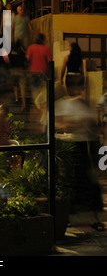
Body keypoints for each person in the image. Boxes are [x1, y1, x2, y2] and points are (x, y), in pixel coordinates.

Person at [55, 75, 104, 231]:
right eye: (74, 85)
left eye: (79, 85)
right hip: (68, 145)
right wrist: (78, 123)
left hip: (84, 145)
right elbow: (60, 124)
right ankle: (67, 218)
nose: (77, 88)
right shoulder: (62, 103)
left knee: (89, 182)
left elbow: (93, 127)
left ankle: (93, 218)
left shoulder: (84, 103)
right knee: (68, 183)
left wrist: (92, 126)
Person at [26, 33, 52, 100]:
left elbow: (27, 59)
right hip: (43, 73)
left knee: (34, 92)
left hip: (33, 72)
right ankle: (41, 108)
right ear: (43, 40)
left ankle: (36, 106)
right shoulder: (46, 49)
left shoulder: (30, 48)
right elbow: (50, 61)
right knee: (42, 93)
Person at [8, 40, 27, 111]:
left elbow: (8, 60)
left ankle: (16, 98)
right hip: (21, 71)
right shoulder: (22, 52)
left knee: (15, 85)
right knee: (22, 87)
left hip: (13, 71)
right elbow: (25, 59)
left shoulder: (11, 52)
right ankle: (24, 104)